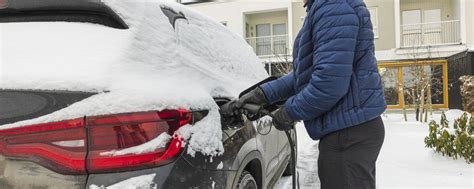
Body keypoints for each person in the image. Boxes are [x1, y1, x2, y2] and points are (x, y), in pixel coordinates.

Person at [224, 0, 386, 188]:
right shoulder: (328, 7)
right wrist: (262, 94)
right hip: (351, 129)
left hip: (349, 135)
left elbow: (328, 84)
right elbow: (305, 75)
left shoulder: (333, 8)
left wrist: (289, 112)